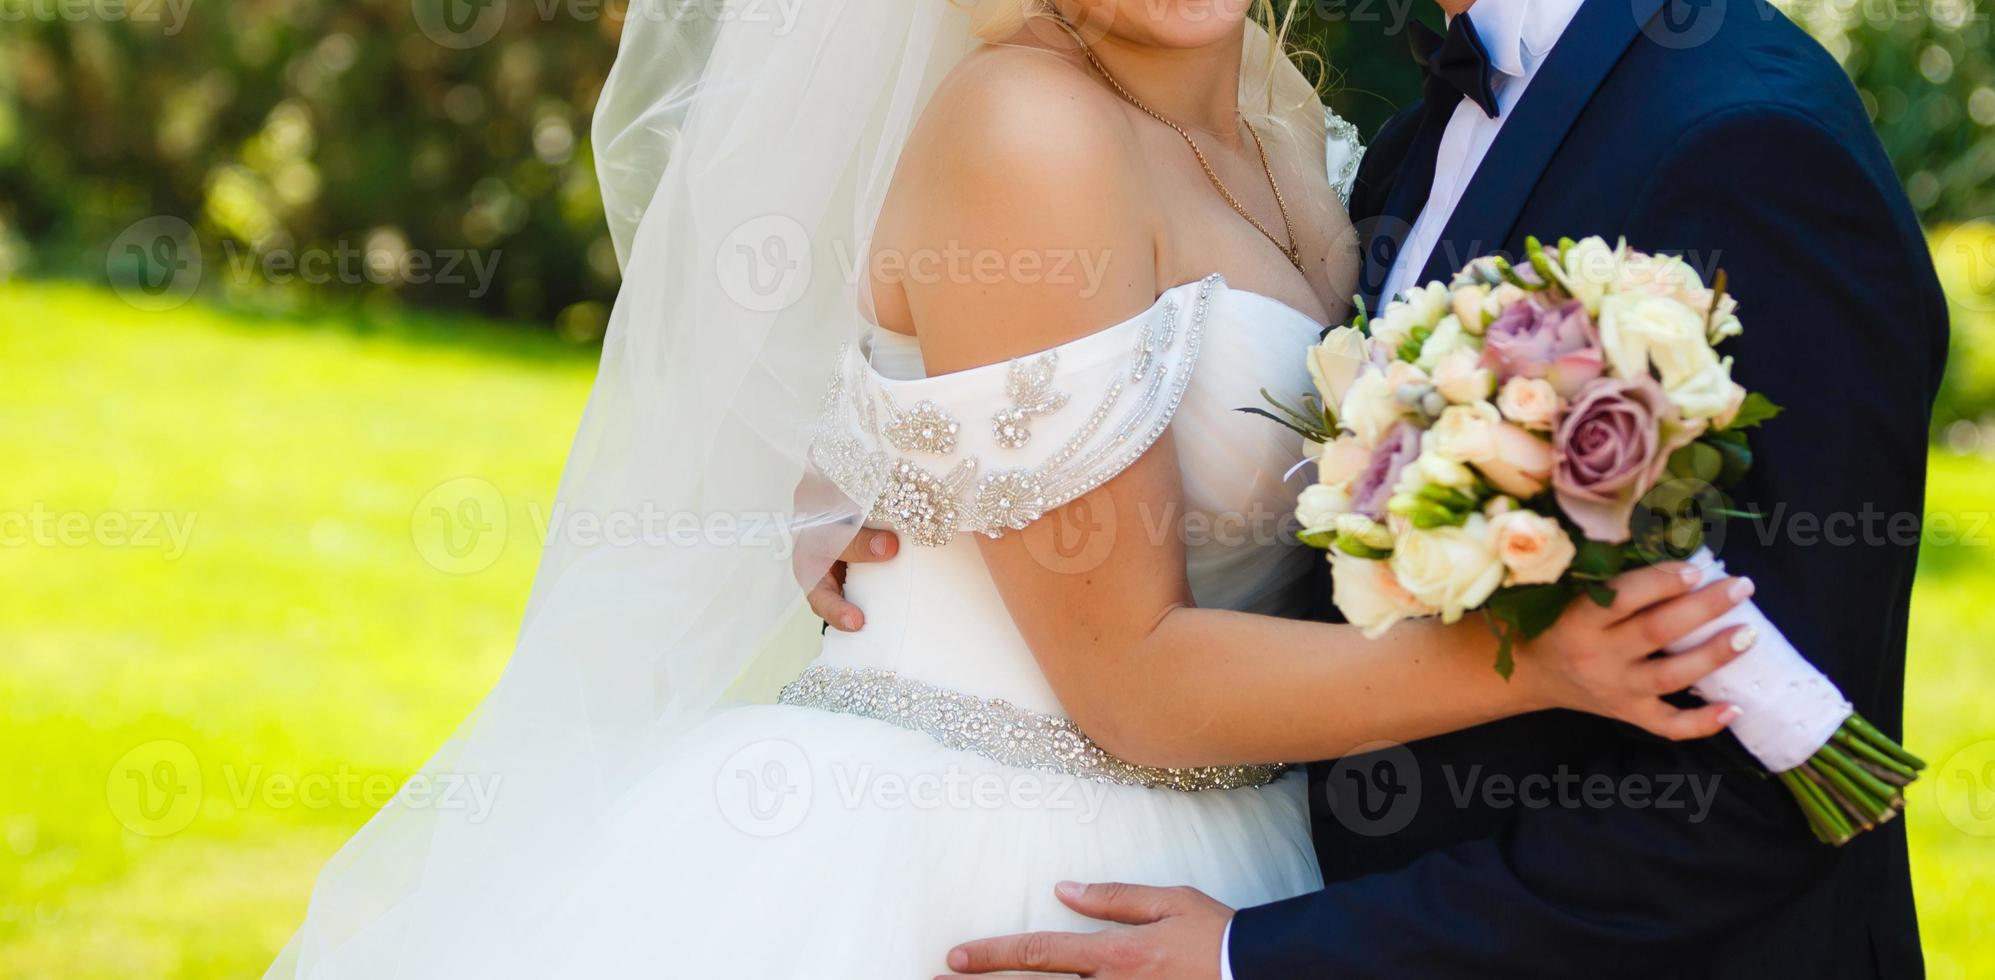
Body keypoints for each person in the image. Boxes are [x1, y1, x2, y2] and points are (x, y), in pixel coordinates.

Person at [271, 2, 1761, 977]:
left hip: (1240, 854)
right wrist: (1533, 663)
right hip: (972, 854)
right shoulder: (1024, 133)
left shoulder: (1295, 142)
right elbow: (1122, 675)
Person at [935, 0, 1945, 976]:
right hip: (1144, 848)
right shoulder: (1421, 130)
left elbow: (1764, 781)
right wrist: (928, 471)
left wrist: (1263, 957)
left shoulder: (1744, 135)